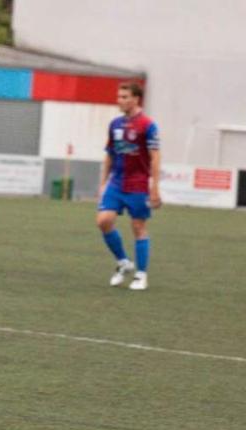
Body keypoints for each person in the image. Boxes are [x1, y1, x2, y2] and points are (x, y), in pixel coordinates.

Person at [97, 81, 161, 290]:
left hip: (138, 183)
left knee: (138, 227)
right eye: (119, 97)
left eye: (125, 97)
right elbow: (109, 155)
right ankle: (124, 262)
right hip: (116, 181)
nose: (120, 100)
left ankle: (141, 275)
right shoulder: (115, 124)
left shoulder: (148, 125)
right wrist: (103, 183)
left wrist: (154, 188)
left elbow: (155, 158)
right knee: (104, 220)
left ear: (136, 99)